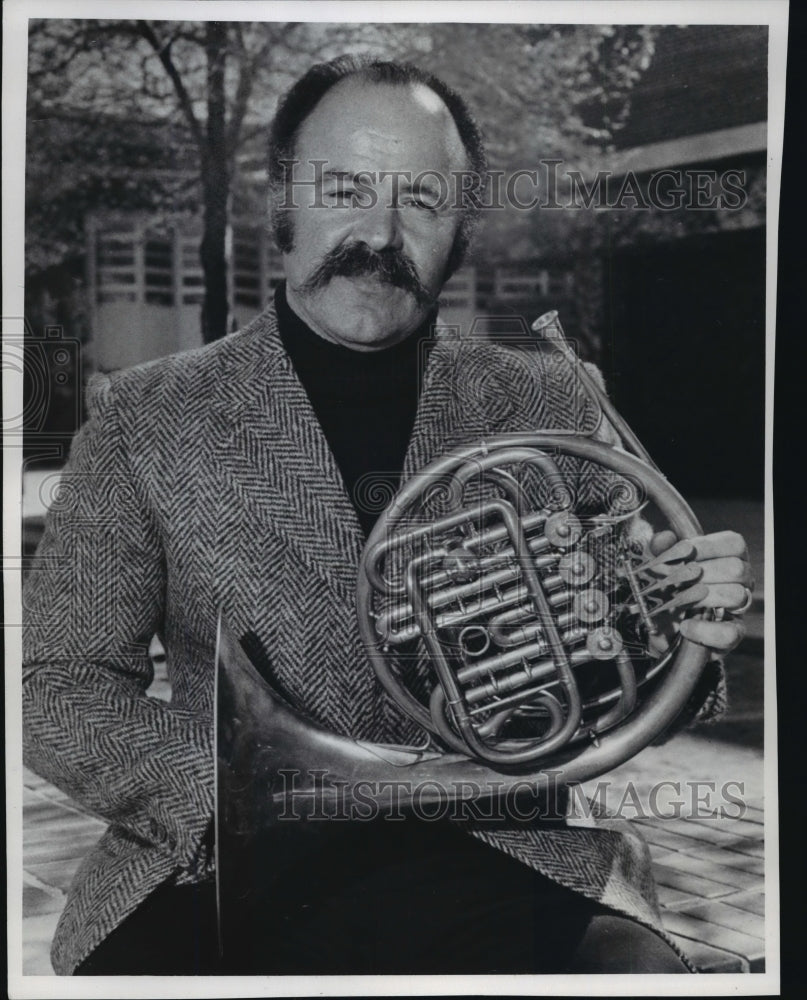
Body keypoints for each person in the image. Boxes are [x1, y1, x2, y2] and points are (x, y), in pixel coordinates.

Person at [23, 55, 753, 976]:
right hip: (223, 855)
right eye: (343, 188)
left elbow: (646, 682)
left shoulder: (551, 396)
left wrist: (677, 614)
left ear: (461, 230)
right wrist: (255, 788)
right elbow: (58, 689)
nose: (378, 232)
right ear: (280, 205)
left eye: (422, 198)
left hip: (493, 847)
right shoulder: (145, 414)